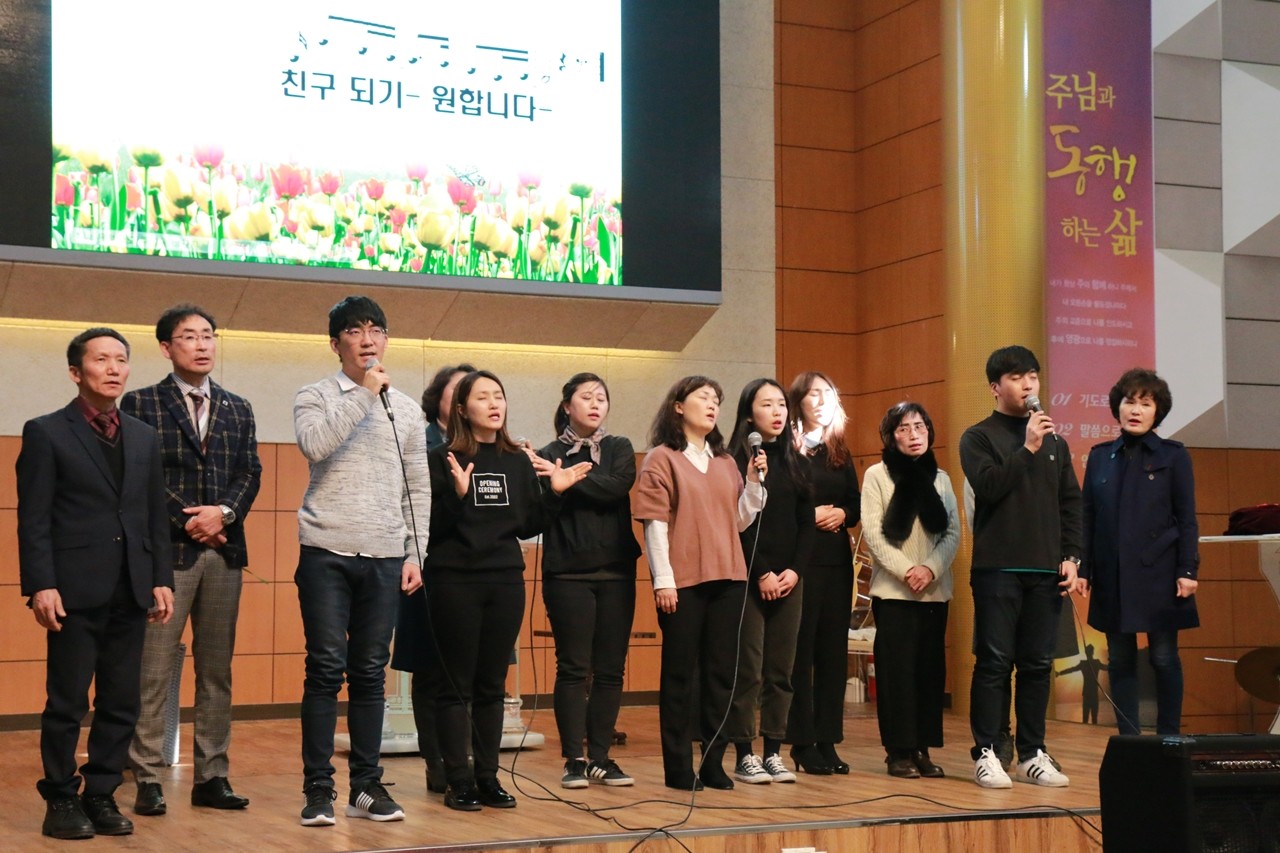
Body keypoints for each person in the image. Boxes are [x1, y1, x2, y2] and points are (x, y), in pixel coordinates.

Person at [17, 328, 175, 840]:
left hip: (131, 586)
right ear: (75, 372)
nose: (113, 368)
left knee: (121, 701)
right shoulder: (46, 432)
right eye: (101, 359)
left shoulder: (143, 435)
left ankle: (102, 792)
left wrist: (161, 578)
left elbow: (153, 515)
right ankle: (61, 796)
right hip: (72, 589)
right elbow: (33, 518)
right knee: (67, 702)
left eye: (121, 360)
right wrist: (41, 584)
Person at [293, 296, 430, 827]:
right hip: (326, 549)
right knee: (326, 668)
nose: (368, 339)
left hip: (386, 553)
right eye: (355, 331)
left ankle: (366, 787)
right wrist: (365, 394)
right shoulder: (315, 395)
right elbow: (316, 445)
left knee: (371, 673)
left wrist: (416, 553)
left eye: (376, 329)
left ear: (386, 339)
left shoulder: (408, 409)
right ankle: (318, 789)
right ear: (336, 344)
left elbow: (417, 487)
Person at [427, 370, 590, 811]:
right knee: (456, 684)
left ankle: (487, 777)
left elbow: (527, 523)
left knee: (492, 684)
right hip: (454, 579)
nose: (494, 404)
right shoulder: (443, 457)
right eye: (483, 397)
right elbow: (430, 527)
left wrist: (554, 493)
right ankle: (457, 780)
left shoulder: (517, 460)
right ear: (463, 409)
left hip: (504, 580)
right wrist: (457, 495)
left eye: (498, 396)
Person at [124, 305, 262, 817]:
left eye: (208, 335)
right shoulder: (140, 402)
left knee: (216, 671)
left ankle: (212, 776)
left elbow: (250, 471)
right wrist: (190, 521)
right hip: (167, 555)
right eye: (189, 337)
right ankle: (147, 776)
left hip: (223, 553)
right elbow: (138, 475)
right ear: (166, 348)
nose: (202, 345)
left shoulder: (238, 406)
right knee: (153, 670)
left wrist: (222, 514)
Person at [632, 376, 766, 791]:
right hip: (684, 581)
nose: (712, 405)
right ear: (678, 406)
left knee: (721, 674)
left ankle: (713, 761)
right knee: (680, 676)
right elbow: (655, 525)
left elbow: (738, 520)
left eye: (717, 400)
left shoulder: (725, 461)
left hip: (729, 577)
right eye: (703, 397)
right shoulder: (661, 458)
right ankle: (677, 767)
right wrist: (663, 580)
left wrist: (754, 482)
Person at [959, 345, 1084, 789]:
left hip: (1045, 571)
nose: (1028, 384)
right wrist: (1028, 447)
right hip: (997, 569)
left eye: (1032, 375)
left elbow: (1071, 504)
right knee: (994, 662)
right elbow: (990, 486)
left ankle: (1033, 752)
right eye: (1017, 377)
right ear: (995, 387)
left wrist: (1072, 558)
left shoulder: (1056, 443)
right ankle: (988, 751)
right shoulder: (978, 437)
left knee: (1036, 665)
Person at [534, 373, 642, 789]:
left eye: (602, 398)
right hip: (567, 571)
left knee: (612, 668)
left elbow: (615, 488)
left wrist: (566, 479)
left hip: (616, 570)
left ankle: (601, 757)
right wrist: (554, 483)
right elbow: (541, 509)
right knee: (573, 667)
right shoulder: (547, 454)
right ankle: (574, 759)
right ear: (567, 406)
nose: (596, 404)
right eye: (586, 397)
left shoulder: (618, 447)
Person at [1080, 368, 1198, 735]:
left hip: (1160, 573)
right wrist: (1084, 569)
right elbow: (1087, 517)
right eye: (1129, 402)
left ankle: (1169, 737)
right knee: (1120, 659)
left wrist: (1188, 570)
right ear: (1117, 407)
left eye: (1145, 404)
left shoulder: (1174, 456)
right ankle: (1129, 739)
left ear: (1157, 412)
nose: (1135, 410)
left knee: (1163, 657)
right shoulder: (1100, 457)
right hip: (1112, 574)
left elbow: (1187, 519)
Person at [860, 402, 960, 778]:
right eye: (903, 428)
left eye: (920, 426)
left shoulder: (942, 479)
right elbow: (873, 533)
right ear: (891, 437)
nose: (914, 435)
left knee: (929, 673)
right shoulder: (877, 475)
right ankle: (898, 752)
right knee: (896, 674)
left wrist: (930, 569)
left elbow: (952, 532)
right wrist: (907, 571)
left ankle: (922, 748)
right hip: (894, 592)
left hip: (934, 591)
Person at [391, 361, 476, 795]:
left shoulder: (486, 447)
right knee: (429, 670)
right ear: (438, 399)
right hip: (426, 567)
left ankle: (465, 758)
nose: (465, 399)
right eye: (457, 391)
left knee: (468, 672)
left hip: (473, 573)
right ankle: (436, 761)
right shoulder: (418, 440)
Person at [725, 379, 813, 785]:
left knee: (782, 670)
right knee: (749, 669)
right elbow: (738, 525)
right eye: (767, 405)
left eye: (781, 405)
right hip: (748, 578)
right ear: (748, 415)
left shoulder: (798, 462)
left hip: (790, 579)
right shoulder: (733, 462)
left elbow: (806, 524)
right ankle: (745, 753)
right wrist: (760, 572)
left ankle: (774, 751)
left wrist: (794, 571)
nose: (777, 412)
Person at [784, 371, 860, 775]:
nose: (821, 400)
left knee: (833, 653)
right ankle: (801, 742)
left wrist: (843, 513)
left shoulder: (838, 449)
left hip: (835, 560)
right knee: (801, 653)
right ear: (798, 402)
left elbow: (855, 503)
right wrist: (807, 515)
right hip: (800, 560)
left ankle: (828, 740)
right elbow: (775, 502)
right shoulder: (786, 448)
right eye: (813, 394)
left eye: (827, 394)